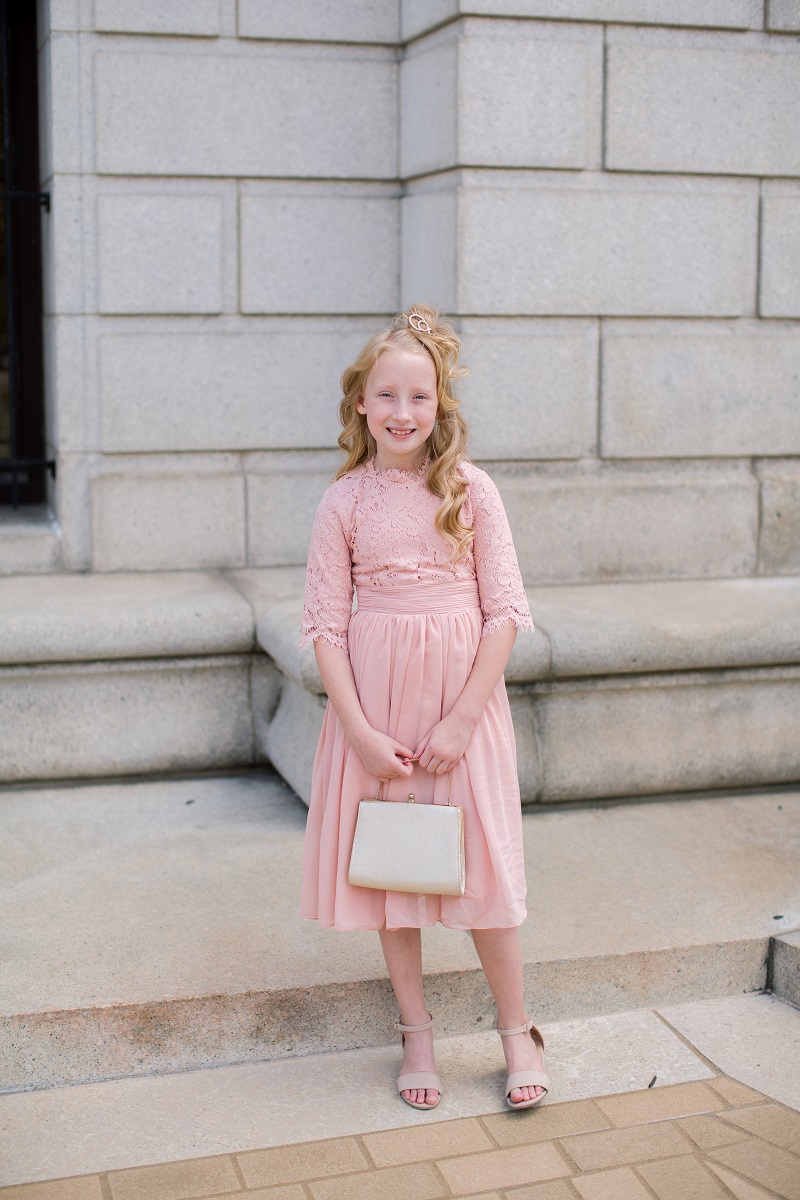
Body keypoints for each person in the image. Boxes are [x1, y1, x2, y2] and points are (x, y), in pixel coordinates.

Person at [299, 304, 549, 1112]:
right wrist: (360, 733)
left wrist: (463, 717)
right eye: (387, 395)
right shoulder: (344, 502)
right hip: (377, 715)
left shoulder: (470, 490)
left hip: (459, 709)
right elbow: (325, 627)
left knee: (485, 871)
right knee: (394, 869)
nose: (402, 412)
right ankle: (416, 1034)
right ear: (360, 403)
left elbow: (504, 611)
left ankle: (517, 1031)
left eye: (419, 396)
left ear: (440, 402)